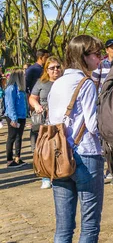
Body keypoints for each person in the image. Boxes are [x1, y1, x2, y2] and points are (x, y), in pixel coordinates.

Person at [47, 35, 104, 243]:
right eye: (95, 54)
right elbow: (93, 125)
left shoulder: (57, 83)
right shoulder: (86, 84)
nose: (99, 59)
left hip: (57, 158)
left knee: (63, 228)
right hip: (86, 156)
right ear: (83, 56)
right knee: (89, 226)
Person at [91, 38, 113, 187]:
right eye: (112, 48)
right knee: (107, 142)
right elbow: (94, 84)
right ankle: (112, 171)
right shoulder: (101, 66)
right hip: (105, 107)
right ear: (107, 50)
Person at [29, 56, 63, 188]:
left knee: (61, 147)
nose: (56, 70)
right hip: (45, 119)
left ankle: (60, 172)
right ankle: (45, 176)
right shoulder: (41, 82)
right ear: (46, 70)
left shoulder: (65, 82)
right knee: (45, 148)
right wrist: (37, 106)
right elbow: (32, 98)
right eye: (52, 68)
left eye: (58, 67)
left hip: (61, 120)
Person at [5, 69, 28, 168]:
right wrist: (13, 118)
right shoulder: (11, 88)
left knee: (19, 137)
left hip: (21, 116)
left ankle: (17, 157)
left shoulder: (20, 89)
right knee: (12, 137)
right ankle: (9, 160)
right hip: (13, 116)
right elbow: (10, 105)